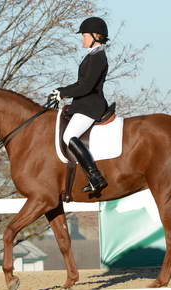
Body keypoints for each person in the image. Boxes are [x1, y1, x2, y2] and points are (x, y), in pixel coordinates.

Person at [50, 17, 109, 194]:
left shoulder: (98, 56)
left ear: (95, 36)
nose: (82, 39)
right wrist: (61, 90)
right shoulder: (92, 55)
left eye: (84, 35)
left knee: (69, 135)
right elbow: (80, 83)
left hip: (91, 106)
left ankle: (95, 177)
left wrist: (64, 93)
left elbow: (86, 86)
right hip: (83, 104)